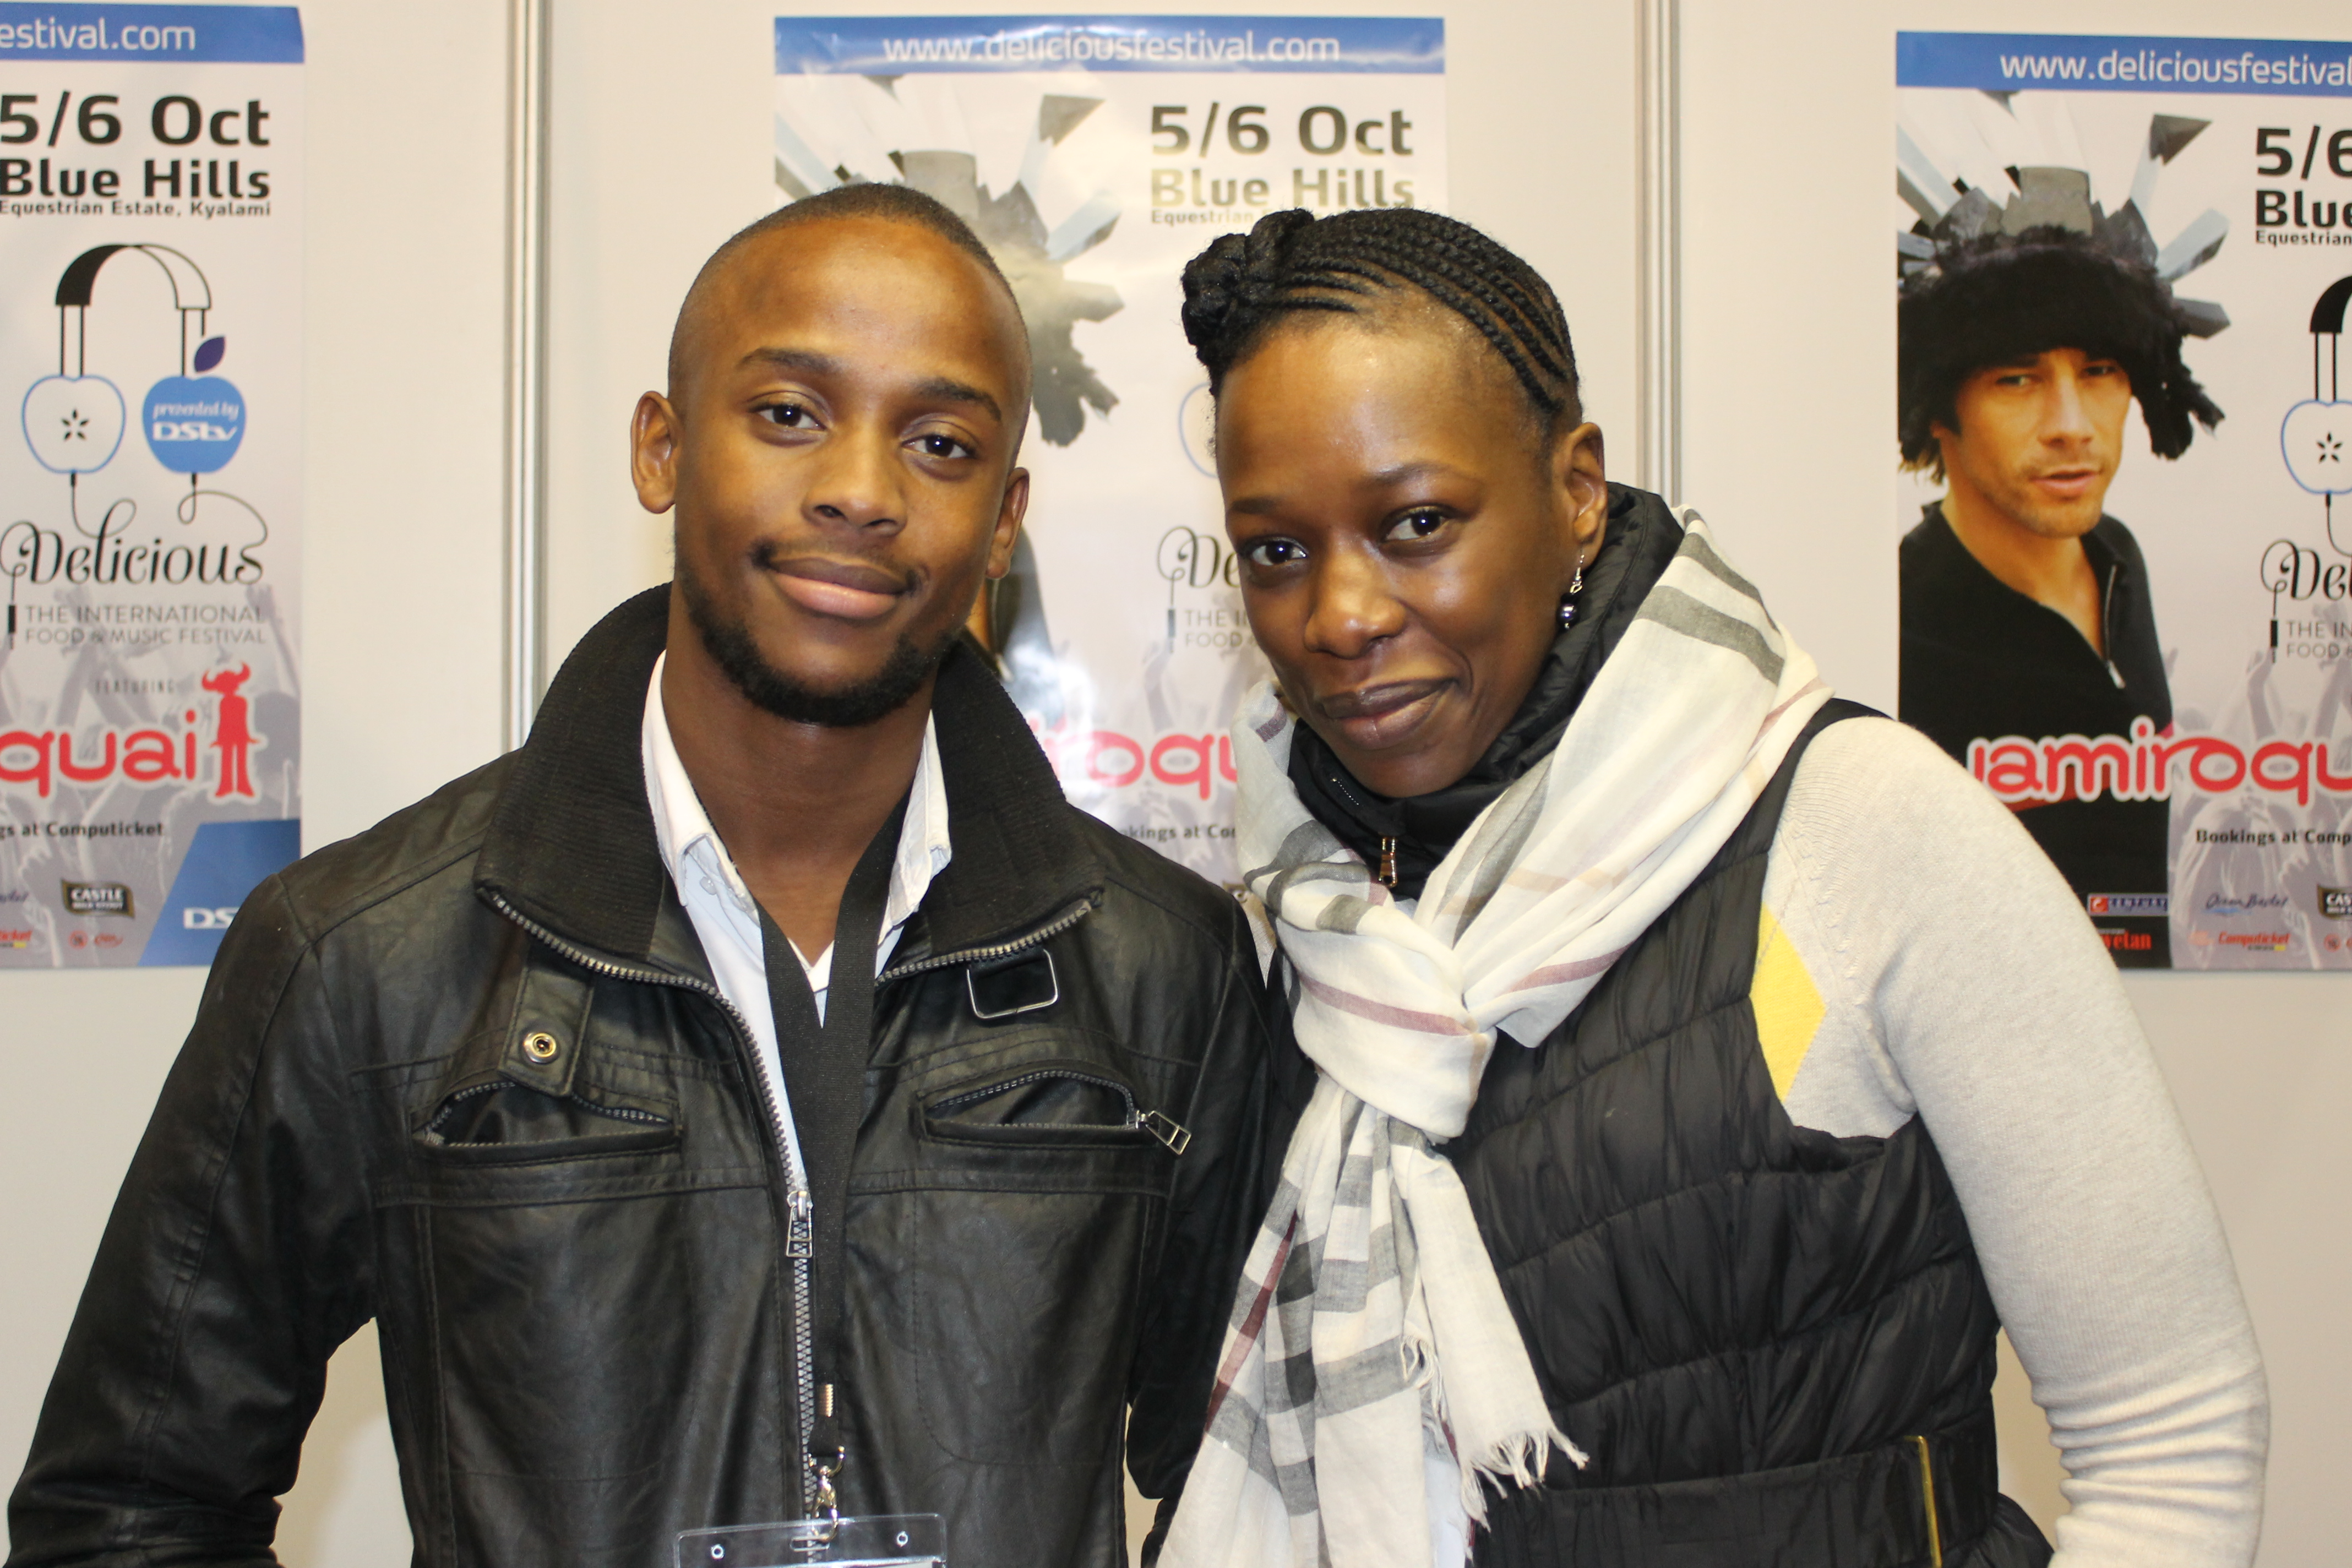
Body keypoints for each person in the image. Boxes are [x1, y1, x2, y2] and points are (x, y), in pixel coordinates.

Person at [8, 186, 1284, 1568]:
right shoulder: (366, 953)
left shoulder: (1166, 969)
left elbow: (1263, 1496)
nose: (862, 488)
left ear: (1003, 515)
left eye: (941, 441)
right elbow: (125, 1512)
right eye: (789, 412)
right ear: (662, 447)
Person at [1156, 208, 2266, 1568]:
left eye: (1419, 522)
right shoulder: (1302, 908)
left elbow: (2175, 1444)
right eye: (1276, 550)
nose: (1341, 614)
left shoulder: (1860, 825)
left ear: (1577, 487)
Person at [1897, 227, 2222, 967]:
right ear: (1937, 407)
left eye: (2100, 371)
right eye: (2018, 380)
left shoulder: (2119, 558)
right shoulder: (1906, 626)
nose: (2072, 428)